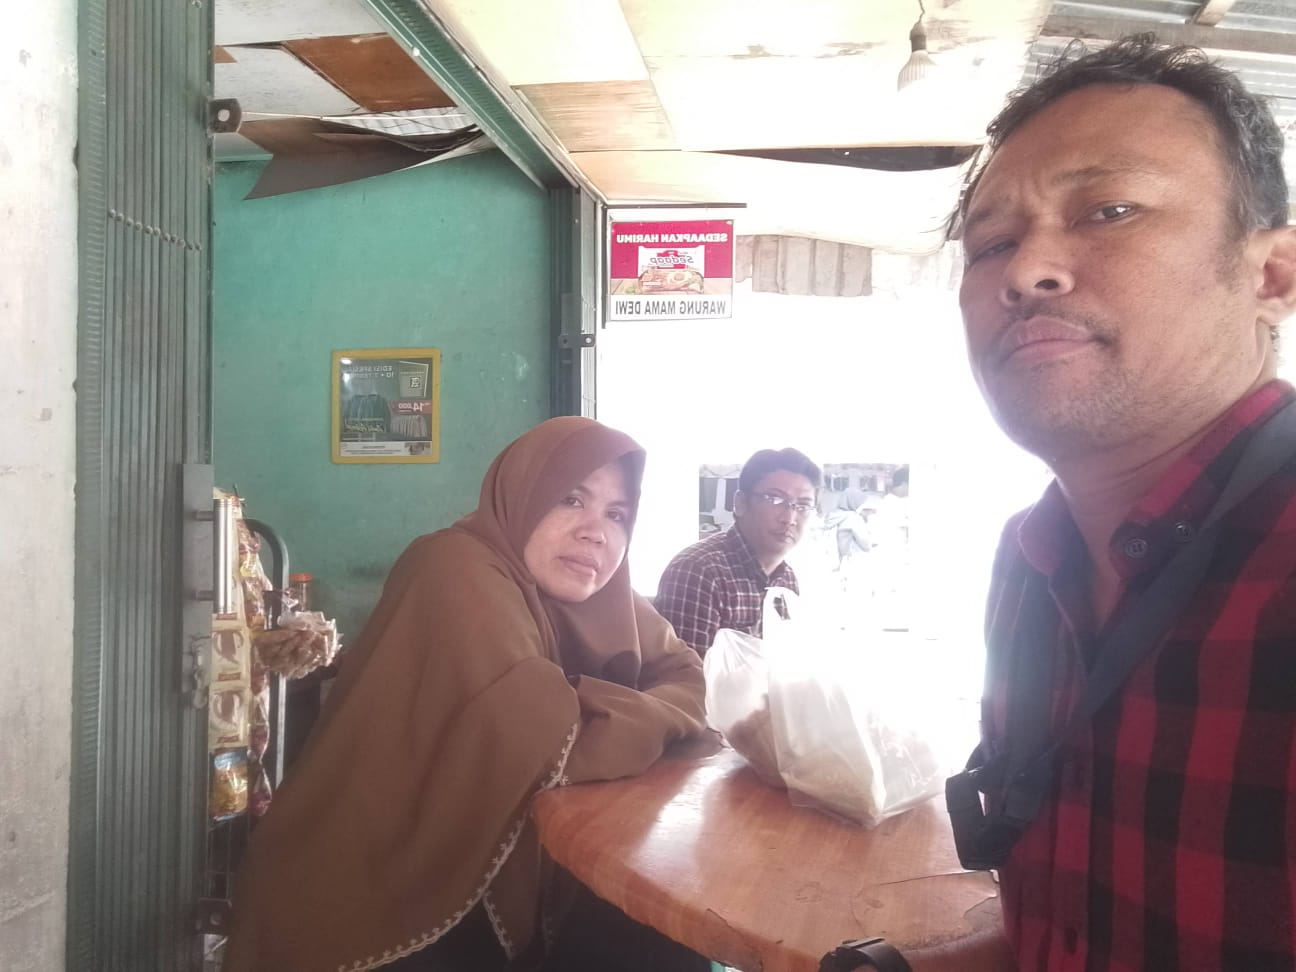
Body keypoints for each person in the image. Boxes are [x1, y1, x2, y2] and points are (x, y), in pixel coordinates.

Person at [927, 35, 1296, 972]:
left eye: (1110, 210)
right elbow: (1075, 927)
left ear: (1272, 275)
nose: (1025, 272)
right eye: (992, 244)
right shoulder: (1032, 561)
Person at [224, 417, 710, 972]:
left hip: (491, 864)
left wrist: (620, 711)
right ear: (522, 495)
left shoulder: (604, 597)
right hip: (379, 891)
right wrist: (650, 716)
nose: (595, 533)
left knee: (660, 927)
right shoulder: (452, 565)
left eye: (617, 515)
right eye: (572, 499)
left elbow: (688, 675)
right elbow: (549, 739)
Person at [656, 448, 821, 655]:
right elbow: (690, 673)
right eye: (774, 499)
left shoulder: (786, 579)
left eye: (803, 506)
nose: (789, 519)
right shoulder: (700, 571)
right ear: (741, 503)